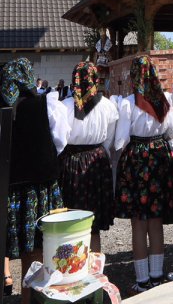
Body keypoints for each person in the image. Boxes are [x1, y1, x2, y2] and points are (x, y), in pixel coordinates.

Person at [0, 59, 68, 304]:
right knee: (34, 249)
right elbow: (59, 142)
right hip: (37, 186)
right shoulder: (46, 104)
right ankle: (29, 300)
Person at [114, 56, 173, 293]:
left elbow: (120, 140)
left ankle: (142, 281)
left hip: (137, 159)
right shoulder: (166, 100)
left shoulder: (128, 103)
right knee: (156, 221)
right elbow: (172, 132)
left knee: (138, 223)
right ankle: (156, 275)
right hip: (161, 158)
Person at [59, 60, 118, 252]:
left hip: (71, 161)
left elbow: (59, 139)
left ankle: (70, 265)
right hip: (97, 161)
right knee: (93, 224)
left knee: (71, 218)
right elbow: (109, 139)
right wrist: (100, 152)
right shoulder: (108, 106)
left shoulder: (64, 107)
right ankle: (95, 269)